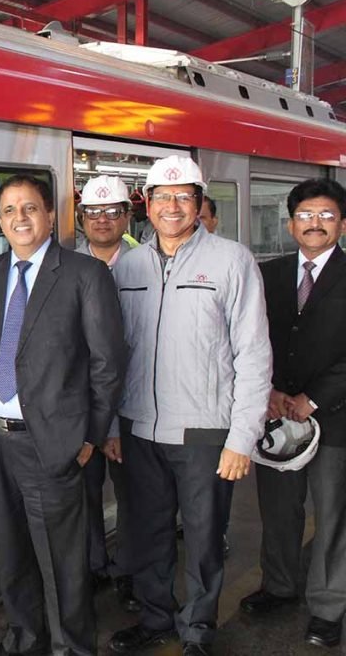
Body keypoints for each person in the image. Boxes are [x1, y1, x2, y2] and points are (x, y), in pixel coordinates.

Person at [0, 174, 127, 655]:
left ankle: (71, 648)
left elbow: (108, 365)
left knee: (62, 564)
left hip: (52, 444)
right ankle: (23, 641)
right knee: (11, 557)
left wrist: (90, 438)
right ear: (1, 220)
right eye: (9, 210)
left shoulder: (83, 274)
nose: (19, 219)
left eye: (29, 208)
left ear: (50, 216)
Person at [107, 156, 271, 656]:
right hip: (139, 430)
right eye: (161, 197)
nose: (171, 206)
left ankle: (198, 630)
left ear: (200, 204)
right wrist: (113, 424)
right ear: (147, 207)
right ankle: (156, 618)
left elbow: (253, 352)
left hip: (204, 434)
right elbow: (111, 354)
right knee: (148, 535)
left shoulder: (231, 260)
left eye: (182, 197)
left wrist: (241, 438)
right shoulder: (128, 266)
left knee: (202, 540)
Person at [238, 178, 346, 650]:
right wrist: (272, 392)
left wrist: (313, 399)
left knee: (332, 516)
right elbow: (250, 339)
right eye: (305, 215)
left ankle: (328, 607)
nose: (314, 223)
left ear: (342, 223)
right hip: (277, 415)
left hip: (335, 420)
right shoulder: (269, 273)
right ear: (290, 223)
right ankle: (279, 587)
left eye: (325, 215)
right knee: (279, 511)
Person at [75, 175, 140, 614]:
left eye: (113, 211)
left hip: (136, 407)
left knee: (136, 496)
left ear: (128, 217)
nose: (102, 220)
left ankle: (132, 571)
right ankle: (94, 565)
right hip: (79, 410)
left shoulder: (149, 265)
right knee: (84, 494)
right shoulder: (62, 265)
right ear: (80, 219)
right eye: (94, 213)